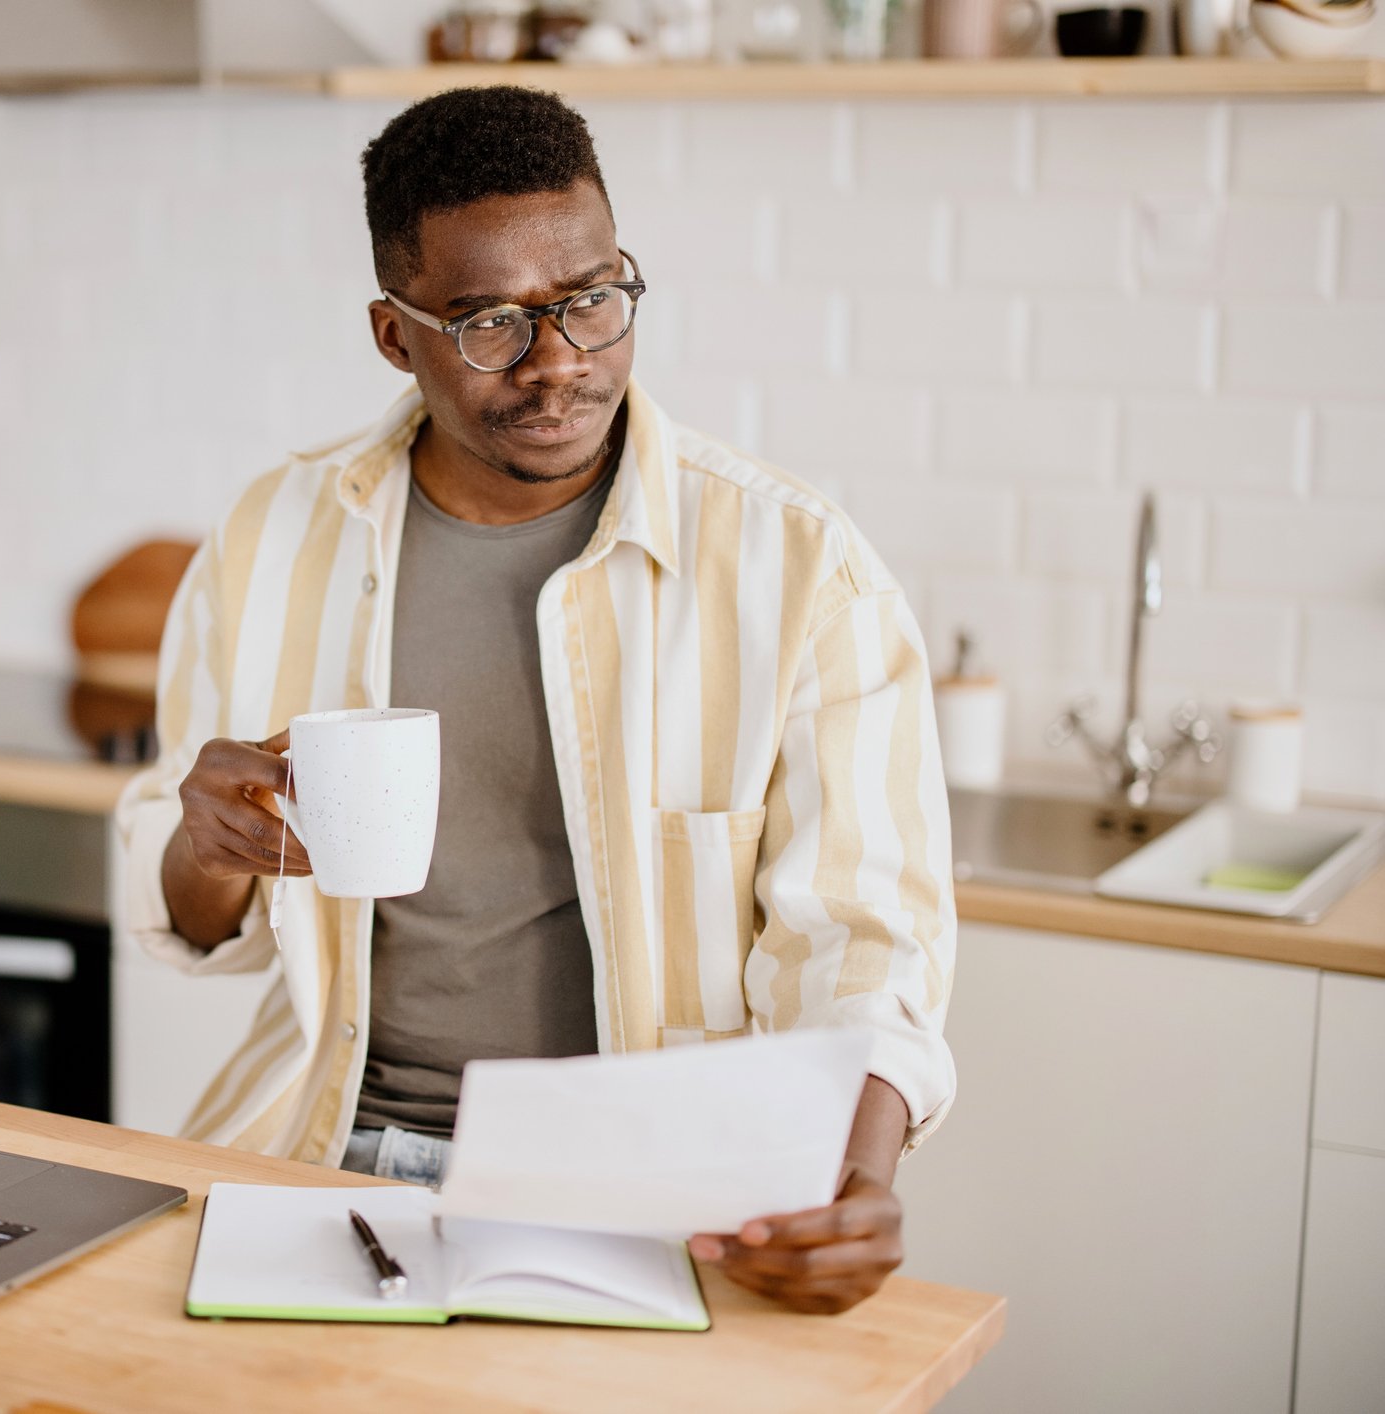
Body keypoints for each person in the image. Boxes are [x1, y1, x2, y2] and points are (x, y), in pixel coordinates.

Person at [113, 86, 955, 1316]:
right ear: (393, 336)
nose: (559, 361)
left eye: (592, 300)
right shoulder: (269, 537)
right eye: (489, 322)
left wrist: (856, 1177)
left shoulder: (799, 569)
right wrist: (205, 844)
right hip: (310, 1170)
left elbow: (863, 940)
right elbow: (191, 923)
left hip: (646, 1198)